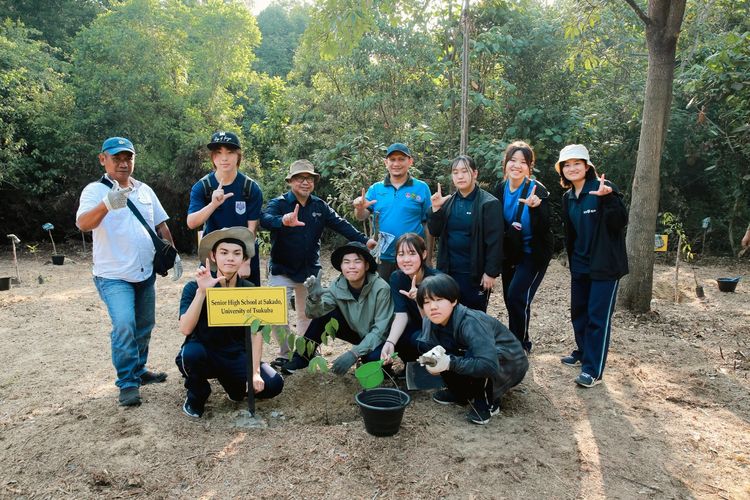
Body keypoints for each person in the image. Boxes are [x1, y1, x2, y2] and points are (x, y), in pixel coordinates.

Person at [76, 137, 174, 407]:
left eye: (127, 157)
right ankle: (127, 382)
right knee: (124, 325)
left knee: (144, 326)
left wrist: (172, 254)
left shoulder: (144, 190)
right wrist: (107, 204)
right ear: (102, 159)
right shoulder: (94, 191)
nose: (123, 163)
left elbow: (161, 224)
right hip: (113, 275)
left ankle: (139, 370)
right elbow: (84, 224)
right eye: (116, 157)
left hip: (145, 273)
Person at [260, 160, 376, 367]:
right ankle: (286, 352)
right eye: (300, 178)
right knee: (275, 314)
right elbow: (265, 219)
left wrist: (364, 240)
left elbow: (341, 224)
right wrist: (282, 221)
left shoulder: (319, 206)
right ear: (290, 181)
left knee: (309, 314)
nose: (305, 182)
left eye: (309, 178)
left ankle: (303, 355)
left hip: (309, 270)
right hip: (282, 269)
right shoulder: (279, 203)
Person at [175, 227, 284, 418]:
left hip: (236, 354)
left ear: (243, 259)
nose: (230, 258)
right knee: (191, 355)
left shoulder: (249, 289)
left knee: (274, 384)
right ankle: (197, 394)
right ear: (213, 256)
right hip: (204, 352)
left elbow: (256, 332)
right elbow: (185, 328)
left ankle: (234, 387)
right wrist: (203, 292)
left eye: (236, 253)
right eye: (224, 253)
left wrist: (255, 372)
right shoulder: (194, 287)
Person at [555, 144, 628, 388]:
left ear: (587, 166)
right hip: (580, 265)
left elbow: (619, 222)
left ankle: (593, 370)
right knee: (579, 312)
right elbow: (571, 233)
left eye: (577, 164)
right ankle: (584, 351)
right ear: (562, 170)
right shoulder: (568, 197)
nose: (572, 168)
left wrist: (608, 200)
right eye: (567, 165)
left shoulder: (603, 188)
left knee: (598, 318)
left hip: (605, 267)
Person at [416, 274, 528, 425]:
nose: (433, 307)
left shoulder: (471, 322)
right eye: (427, 302)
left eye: (439, 300)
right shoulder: (430, 321)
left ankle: (487, 403)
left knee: (474, 355)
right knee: (440, 351)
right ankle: (460, 394)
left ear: (454, 300)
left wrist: (449, 362)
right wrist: (428, 361)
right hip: (482, 357)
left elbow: (488, 364)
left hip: (510, 363)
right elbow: (433, 350)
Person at [281, 241, 394, 375]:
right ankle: (302, 357)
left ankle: (367, 358)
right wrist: (314, 298)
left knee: (375, 362)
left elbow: (380, 330)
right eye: (346, 262)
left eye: (357, 262)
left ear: (366, 265)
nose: (351, 266)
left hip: (379, 338)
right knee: (326, 313)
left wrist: (354, 353)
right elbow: (315, 314)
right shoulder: (337, 285)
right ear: (341, 266)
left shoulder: (381, 288)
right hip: (355, 331)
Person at [493, 141, 553, 353]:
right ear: (506, 163)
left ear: (529, 167)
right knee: (511, 299)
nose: (517, 165)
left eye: (523, 162)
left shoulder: (537, 190)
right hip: (511, 253)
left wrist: (537, 208)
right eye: (513, 160)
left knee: (517, 296)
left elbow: (546, 226)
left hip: (533, 254)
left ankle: (518, 347)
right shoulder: (500, 189)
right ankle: (519, 340)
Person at [428, 155, 503, 312]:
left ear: (475, 173)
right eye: (455, 172)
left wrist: (491, 273)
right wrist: (435, 209)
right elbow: (435, 231)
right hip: (448, 272)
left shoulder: (489, 203)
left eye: (464, 171)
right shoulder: (447, 202)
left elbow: (495, 242)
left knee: (474, 317)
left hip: (474, 274)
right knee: (448, 314)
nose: (460, 176)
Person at [187, 131, 262, 285]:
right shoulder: (202, 187)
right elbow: (192, 222)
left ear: (238, 156)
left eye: (230, 152)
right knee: (211, 304)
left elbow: (251, 229)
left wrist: (245, 262)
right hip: (214, 256)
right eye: (218, 153)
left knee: (248, 303)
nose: (224, 158)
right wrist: (213, 204)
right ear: (213, 157)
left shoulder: (250, 188)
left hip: (243, 254)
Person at [352, 143, 432, 282]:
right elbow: (361, 216)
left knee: (413, 297)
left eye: (401, 159)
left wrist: (428, 257)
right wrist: (359, 209)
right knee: (384, 297)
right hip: (383, 257)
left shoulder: (421, 188)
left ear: (410, 161)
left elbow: (428, 224)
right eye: (392, 159)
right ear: (386, 162)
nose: (396, 163)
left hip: (412, 256)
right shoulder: (376, 189)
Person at [380, 233, 440, 366]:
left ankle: (436, 368)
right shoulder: (397, 278)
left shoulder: (436, 280)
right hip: (415, 327)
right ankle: (412, 366)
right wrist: (390, 342)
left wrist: (420, 300)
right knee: (396, 338)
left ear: (423, 254)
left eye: (412, 253)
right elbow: (401, 314)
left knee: (423, 341)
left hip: (437, 330)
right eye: (401, 254)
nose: (406, 259)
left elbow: (433, 325)